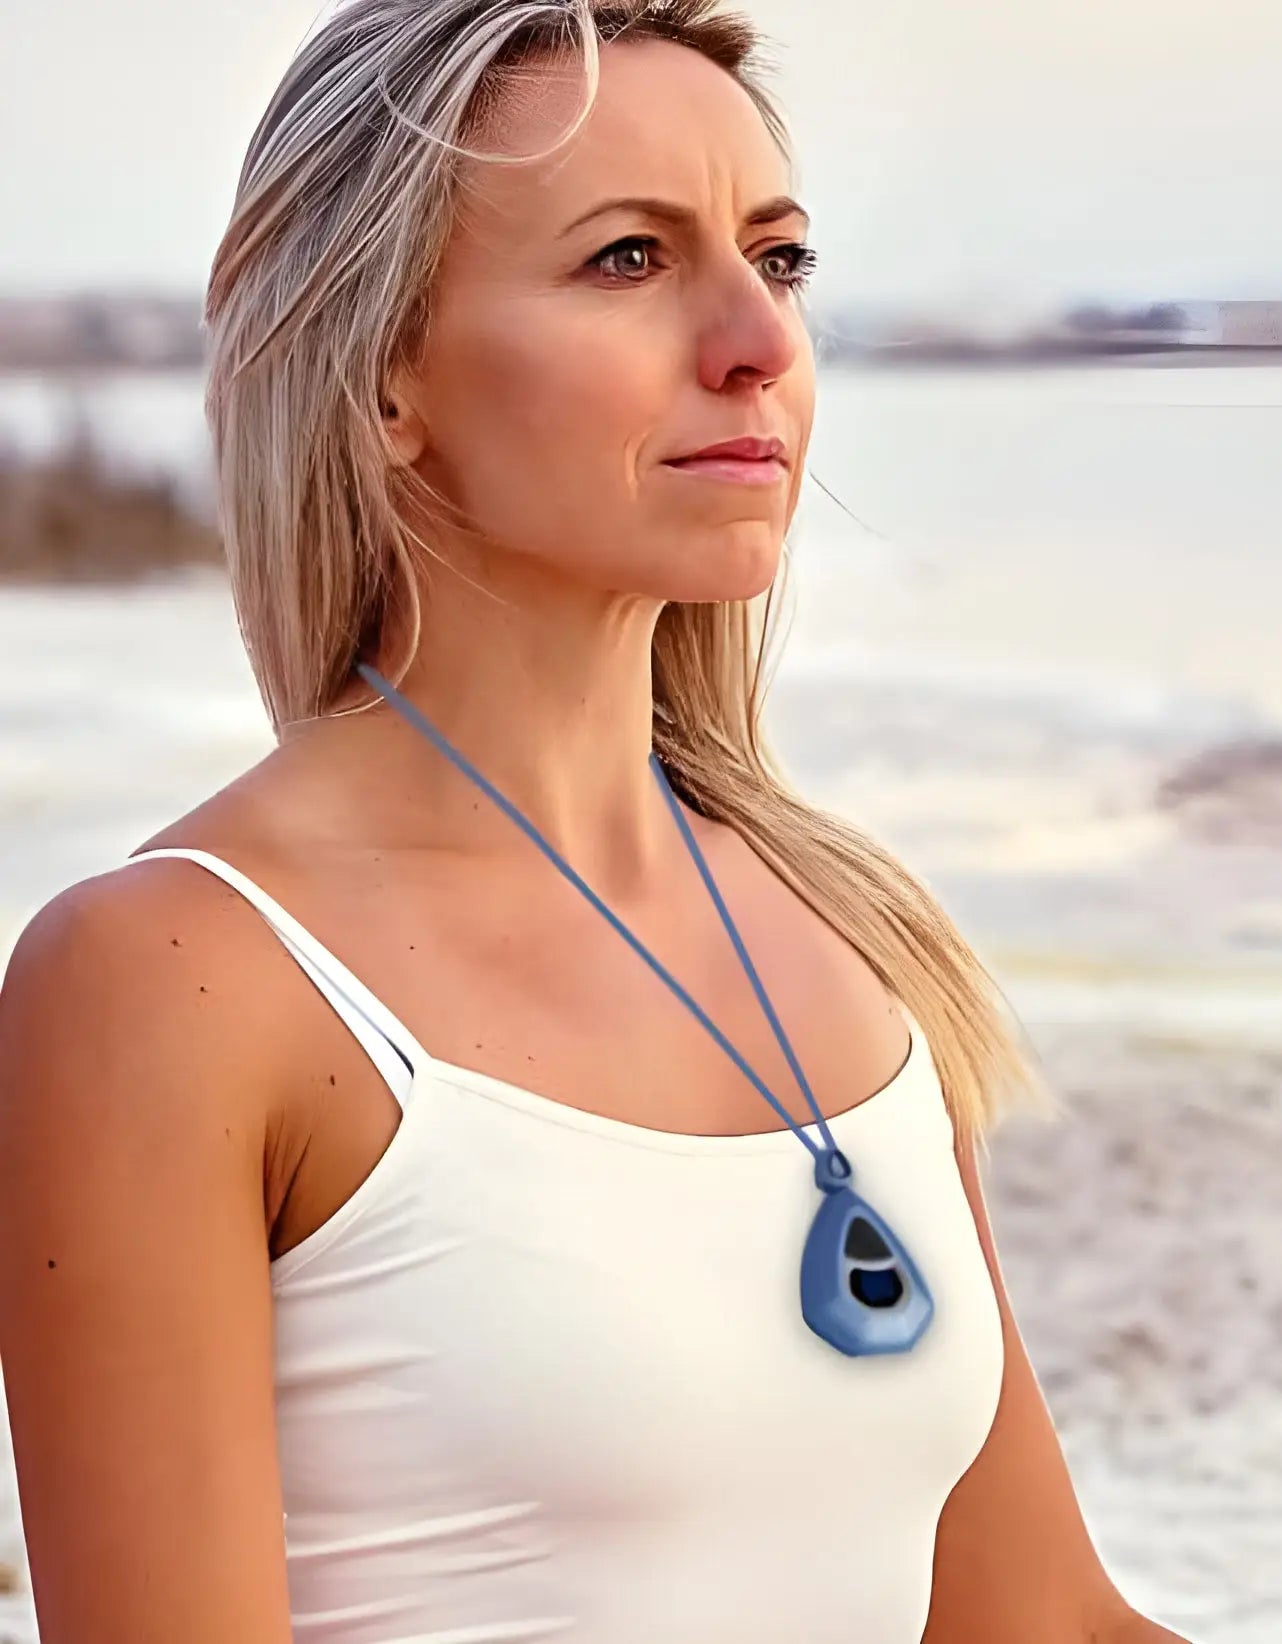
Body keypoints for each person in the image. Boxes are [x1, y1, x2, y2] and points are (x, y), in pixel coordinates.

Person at [0, 3, 1190, 1640]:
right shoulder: (175, 983)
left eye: (777, 261)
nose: (755, 344)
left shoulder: (844, 927)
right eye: (629, 259)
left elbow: (1038, 1622)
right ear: (387, 373)